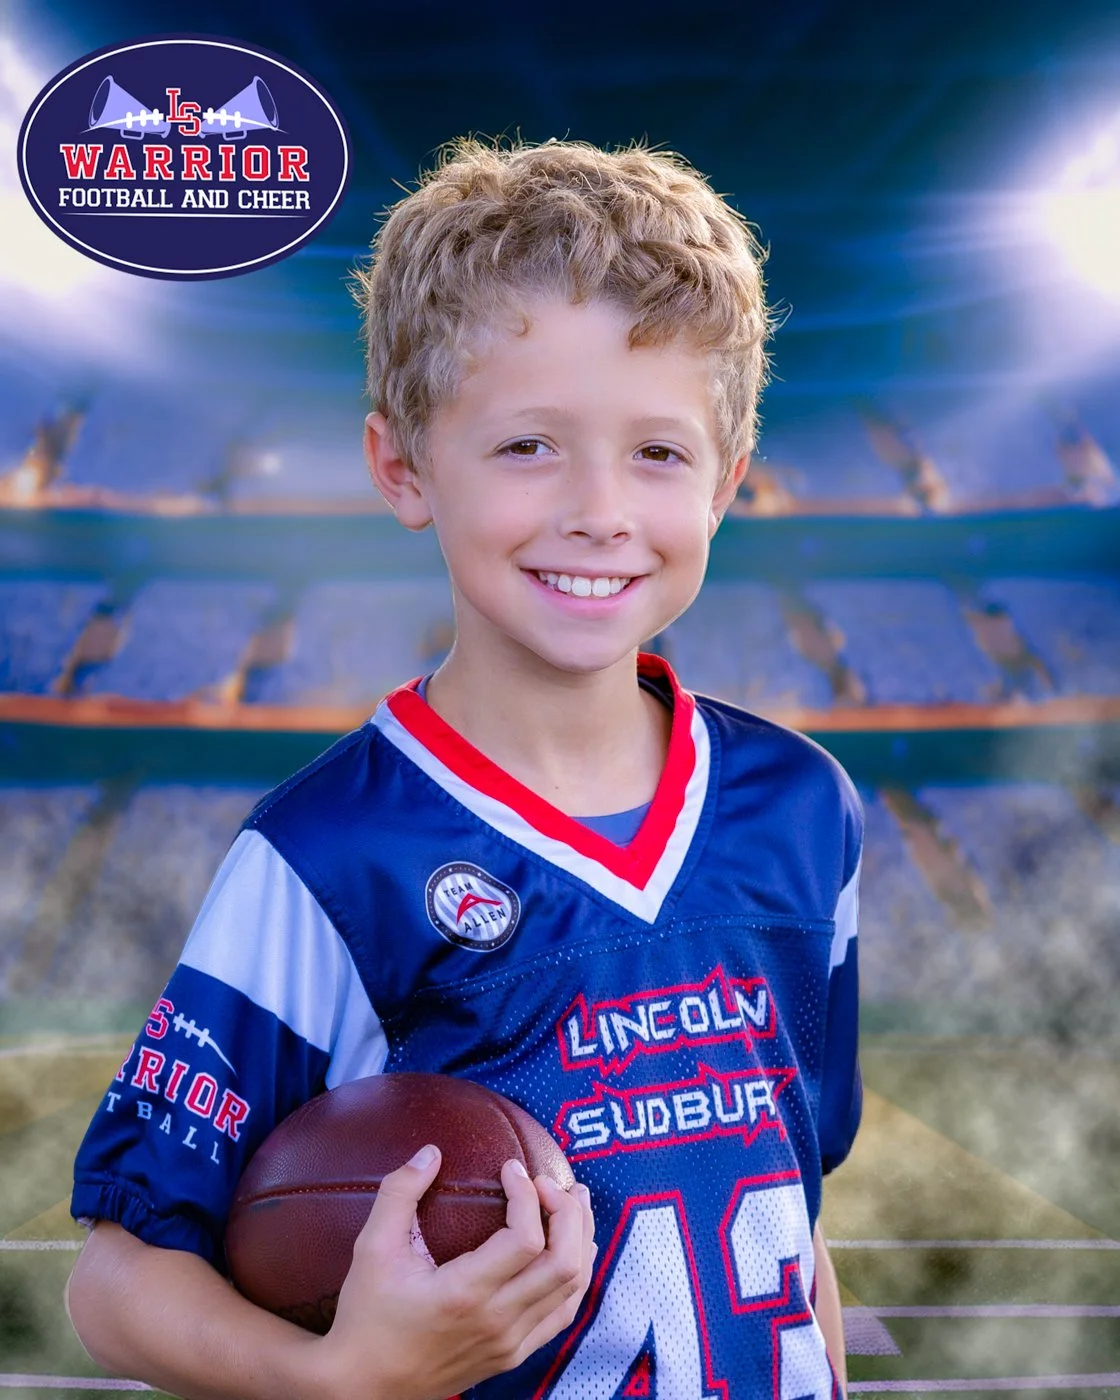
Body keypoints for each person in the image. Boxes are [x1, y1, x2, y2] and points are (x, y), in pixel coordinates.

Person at [66, 137, 863, 1400]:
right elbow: (115, 1283)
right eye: (528, 446)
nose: (599, 507)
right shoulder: (329, 856)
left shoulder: (803, 806)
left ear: (727, 484)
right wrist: (340, 1377)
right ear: (403, 465)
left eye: (657, 452)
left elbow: (790, 1195)